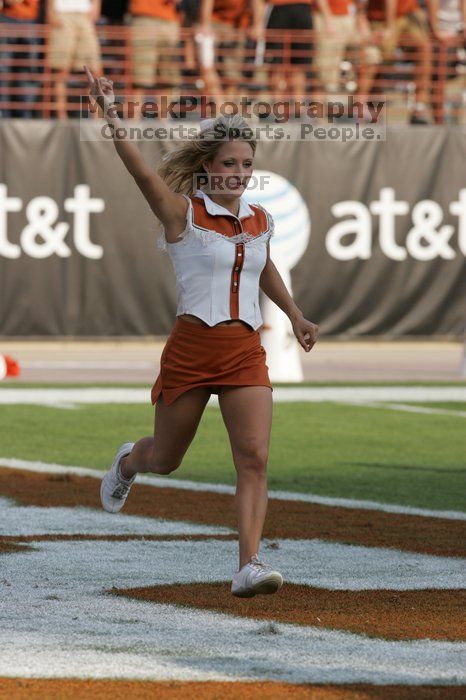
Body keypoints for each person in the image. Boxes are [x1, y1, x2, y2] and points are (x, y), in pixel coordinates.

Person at [84, 64, 319, 598]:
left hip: (243, 351)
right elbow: (142, 174)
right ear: (208, 168)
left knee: (255, 456)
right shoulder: (182, 215)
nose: (238, 173)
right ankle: (127, 462)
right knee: (165, 459)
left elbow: (264, 266)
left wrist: (295, 315)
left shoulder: (260, 218)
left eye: (246, 165)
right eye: (229, 164)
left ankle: (249, 565)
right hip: (191, 350)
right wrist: (112, 114)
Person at [360, 0, 434, 124]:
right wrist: (388, 27)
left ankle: (419, 107)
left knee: (424, 49)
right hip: (378, 18)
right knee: (374, 63)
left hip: (407, 15)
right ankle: (366, 112)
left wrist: (433, 26)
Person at [46, 0, 102, 118]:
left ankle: (95, 117)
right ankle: (61, 117)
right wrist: (50, 10)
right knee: (61, 69)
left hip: (84, 14)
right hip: (61, 13)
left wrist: (96, 5)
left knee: (93, 70)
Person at [0, 0, 41, 118]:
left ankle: (24, 114)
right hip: (6, 19)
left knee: (28, 72)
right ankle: (4, 114)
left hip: (30, 20)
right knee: (3, 72)